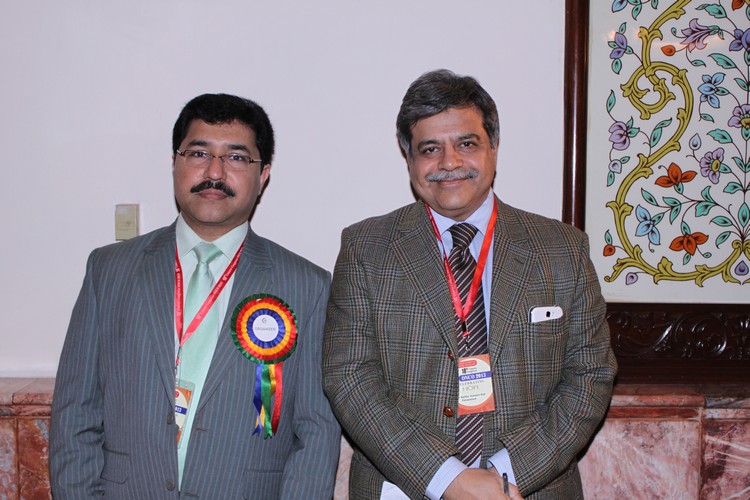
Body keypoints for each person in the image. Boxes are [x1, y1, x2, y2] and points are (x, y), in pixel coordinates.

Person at [323, 70, 617, 499]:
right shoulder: (366, 248)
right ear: (408, 159)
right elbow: (349, 377)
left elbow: (591, 375)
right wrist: (448, 479)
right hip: (404, 488)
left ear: (493, 147)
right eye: (430, 149)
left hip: (528, 488)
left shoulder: (562, 249)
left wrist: (501, 476)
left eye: (466, 144)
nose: (449, 163)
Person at [50, 93, 340, 498]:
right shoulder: (108, 271)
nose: (214, 172)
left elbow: (315, 434)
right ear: (175, 163)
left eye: (236, 157)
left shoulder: (307, 286)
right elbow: (75, 416)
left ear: (263, 175)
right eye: (199, 153)